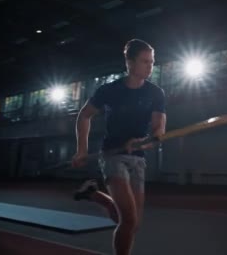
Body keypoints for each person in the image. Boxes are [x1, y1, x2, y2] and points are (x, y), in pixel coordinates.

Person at [71, 39, 166, 255]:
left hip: (138, 157)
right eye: (144, 61)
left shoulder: (156, 93)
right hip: (112, 155)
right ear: (129, 62)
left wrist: (149, 140)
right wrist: (82, 149)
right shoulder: (109, 90)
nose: (150, 66)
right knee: (129, 220)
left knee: (132, 223)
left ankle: (93, 194)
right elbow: (84, 116)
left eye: (151, 62)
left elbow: (159, 127)